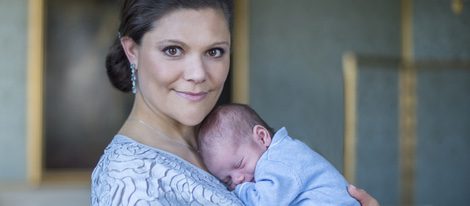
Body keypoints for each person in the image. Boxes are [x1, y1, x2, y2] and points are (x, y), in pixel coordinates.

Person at [91, 0, 379, 205]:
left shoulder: (227, 139)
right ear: (132, 51)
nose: (198, 74)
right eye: (173, 50)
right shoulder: (129, 181)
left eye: (214, 51)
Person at [198, 103, 360, 205]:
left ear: (262, 137)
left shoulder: (277, 161)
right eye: (228, 180)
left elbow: (266, 202)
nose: (238, 180)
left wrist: (239, 191)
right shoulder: (284, 151)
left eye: (240, 164)